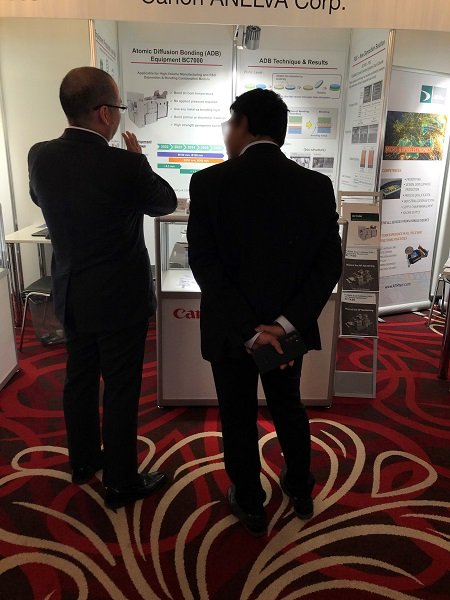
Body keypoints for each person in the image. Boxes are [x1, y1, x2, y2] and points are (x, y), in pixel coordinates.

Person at [187, 89, 342, 536]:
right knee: (288, 405)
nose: (227, 134)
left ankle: (251, 503)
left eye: (230, 124)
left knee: (236, 413)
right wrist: (284, 325)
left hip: (232, 332)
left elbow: (205, 265)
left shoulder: (209, 182)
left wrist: (249, 332)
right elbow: (328, 265)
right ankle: (300, 487)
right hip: (287, 331)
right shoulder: (315, 185)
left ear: (244, 125)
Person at [28, 67, 177, 509]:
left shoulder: (40, 156)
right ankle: (121, 481)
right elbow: (165, 202)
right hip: (119, 300)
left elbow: (41, 198)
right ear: (104, 113)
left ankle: (83, 462)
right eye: (118, 108)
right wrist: (139, 160)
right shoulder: (124, 165)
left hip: (72, 291)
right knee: (120, 388)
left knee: (78, 379)